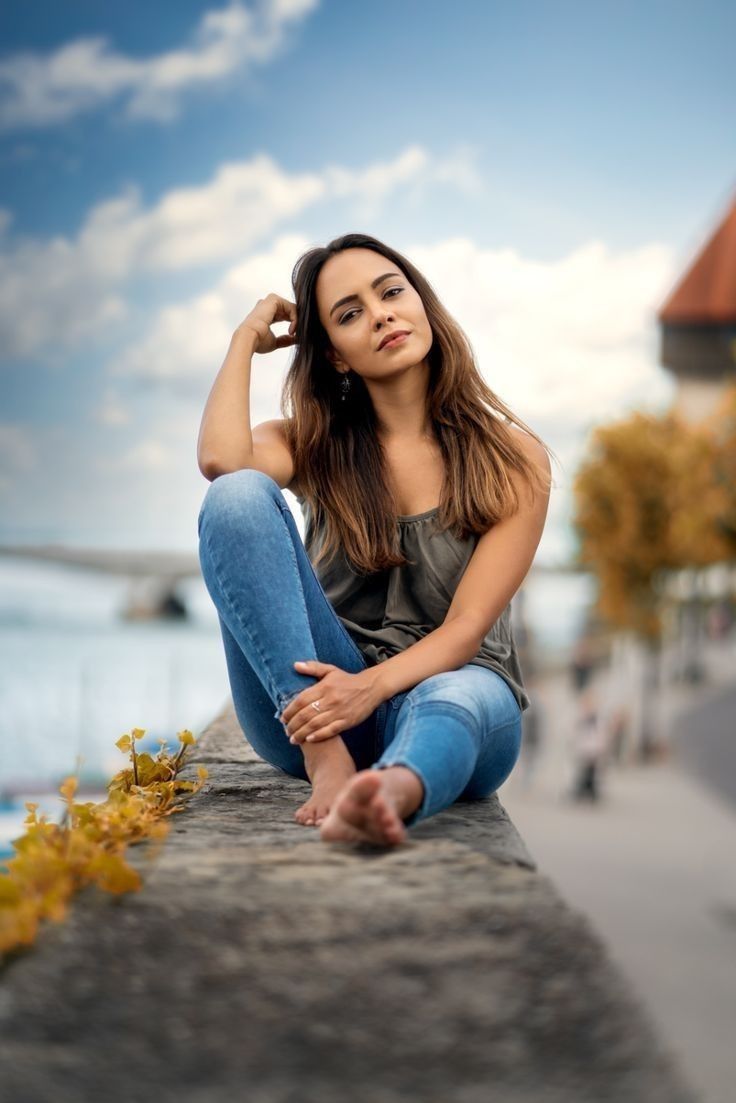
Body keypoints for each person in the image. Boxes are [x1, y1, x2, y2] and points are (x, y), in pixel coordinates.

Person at [196, 233, 553, 847]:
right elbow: (224, 465)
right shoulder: (312, 443)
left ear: (422, 304)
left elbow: (467, 629)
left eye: (391, 293)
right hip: (320, 711)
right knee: (235, 498)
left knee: (455, 696)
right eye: (350, 313)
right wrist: (244, 342)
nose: (381, 313)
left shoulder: (512, 458)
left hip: (458, 692)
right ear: (335, 354)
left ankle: (391, 793)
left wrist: (370, 689)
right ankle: (328, 762)